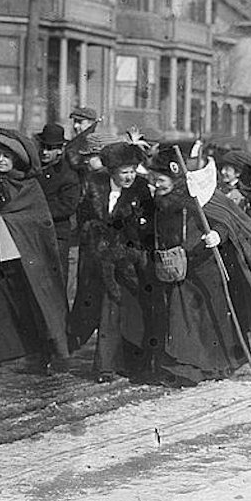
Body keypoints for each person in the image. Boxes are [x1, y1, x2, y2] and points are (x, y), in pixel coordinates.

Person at [139, 150, 251, 386]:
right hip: (178, 268)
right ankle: (184, 367)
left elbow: (226, 221)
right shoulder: (161, 201)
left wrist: (217, 234)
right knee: (182, 318)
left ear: (175, 178)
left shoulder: (199, 196)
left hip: (207, 268)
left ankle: (215, 365)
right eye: (153, 180)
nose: (155, 185)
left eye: (160, 180)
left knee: (209, 319)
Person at [0, 128, 70, 381]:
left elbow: (38, 222)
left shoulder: (29, 187)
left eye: (6, 155)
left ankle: (45, 354)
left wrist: (11, 223)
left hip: (23, 259)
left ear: (17, 158)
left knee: (34, 305)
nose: (0, 160)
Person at [68, 141, 154, 382]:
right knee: (98, 308)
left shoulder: (141, 188)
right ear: (112, 170)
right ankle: (96, 362)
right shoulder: (95, 184)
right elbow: (83, 216)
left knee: (120, 310)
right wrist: (94, 236)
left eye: (132, 170)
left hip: (127, 260)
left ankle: (116, 364)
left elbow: (148, 222)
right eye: (123, 171)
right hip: (97, 257)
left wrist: (132, 246)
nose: (128, 176)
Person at [34, 123, 80, 304]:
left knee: (55, 285)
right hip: (34, 233)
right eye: (43, 147)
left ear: (60, 150)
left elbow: (67, 206)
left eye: (50, 148)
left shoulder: (68, 175)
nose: (45, 152)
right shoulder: (34, 170)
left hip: (56, 236)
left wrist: (37, 211)